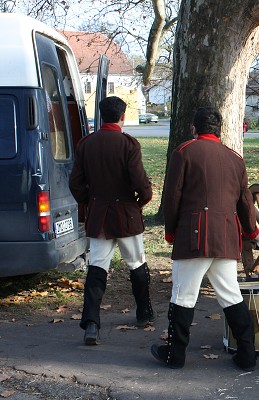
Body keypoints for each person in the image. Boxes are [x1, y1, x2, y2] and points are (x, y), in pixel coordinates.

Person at [151, 106, 259, 370]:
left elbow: (172, 197)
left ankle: (175, 356)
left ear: (194, 128)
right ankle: (247, 355)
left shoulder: (184, 152)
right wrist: (251, 231)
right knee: (230, 295)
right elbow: (245, 202)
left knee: (183, 296)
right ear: (220, 130)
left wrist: (170, 231)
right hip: (224, 236)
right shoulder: (236, 158)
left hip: (193, 236)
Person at [69, 96, 154, 345]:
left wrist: (90, 201)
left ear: (102, 115)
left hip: (99, 215)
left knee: (97, 267)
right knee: (137, 264)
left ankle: (92, 323)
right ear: (122, 117)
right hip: (126, 214)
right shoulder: (129, 144)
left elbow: (75, 183)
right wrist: (139, 202)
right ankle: (144, 312)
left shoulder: (86, 144)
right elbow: (141, 184)